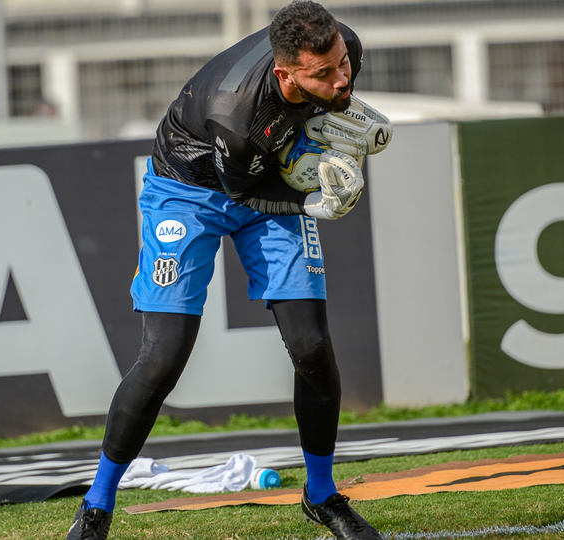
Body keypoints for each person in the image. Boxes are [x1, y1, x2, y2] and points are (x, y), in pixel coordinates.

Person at [66, 1, 391, 539]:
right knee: (162, 357)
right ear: (285, 72)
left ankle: (322, 494)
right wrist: (318, 196)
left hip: (267, 168)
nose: (342, 76)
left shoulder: (343, 44)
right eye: (325, 72)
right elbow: (248, 187)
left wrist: (323, 144)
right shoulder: (235, 111)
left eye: (341, 63)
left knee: (312, 347)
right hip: (191, 190)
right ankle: (97, 504)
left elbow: (307, 123)